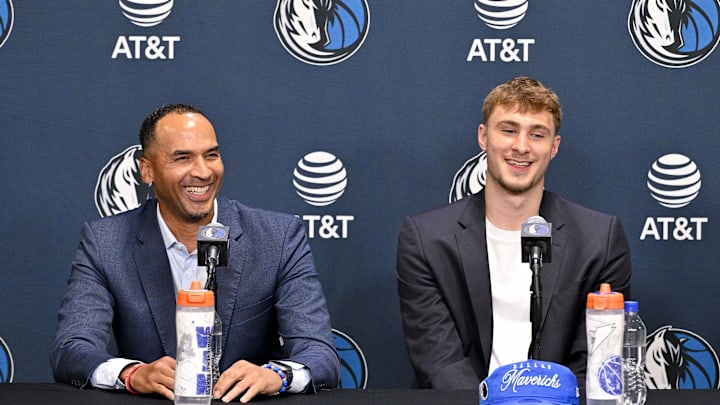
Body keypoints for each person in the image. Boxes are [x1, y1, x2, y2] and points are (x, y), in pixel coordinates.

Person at [51, 104, 340, 402]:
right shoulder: (105, 243)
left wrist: (276, 375)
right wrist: (131, 374)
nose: (203, 172)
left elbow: (319, 354)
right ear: (147, 170)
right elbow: (72, 347)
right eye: (183, 158)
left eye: (211, 155)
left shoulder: (277, 237)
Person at [395, 76, 632, 389]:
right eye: (508, 130)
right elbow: (440, 363)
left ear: (554, 147)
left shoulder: (599, 239)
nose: (521, 147)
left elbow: (595, 363)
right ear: (483, 137)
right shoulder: (427, 239)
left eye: (537, 134)